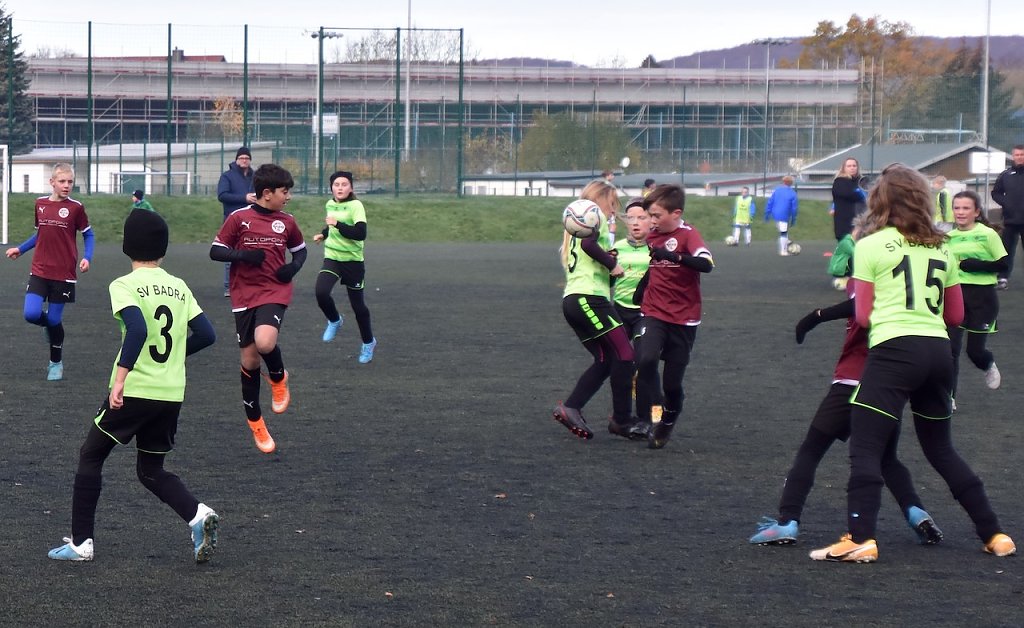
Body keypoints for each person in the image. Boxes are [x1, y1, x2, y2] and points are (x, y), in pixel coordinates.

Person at [810, 163, 1016, 564]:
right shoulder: (942, 247)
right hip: (939, 353)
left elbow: (863, 316)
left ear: (880, 201)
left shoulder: (871, 245)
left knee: (866, 447)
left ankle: (861, 537)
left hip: (894, 353)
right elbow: (955, 315)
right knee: (941, 449)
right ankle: (995, 533)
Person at [750, 214, 942, 547]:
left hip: (855, 379)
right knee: (886, 457)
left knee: (812, 449)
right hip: (891, 383)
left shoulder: (868, 271)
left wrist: (816, 316)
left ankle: (787, 521)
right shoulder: (910, 276)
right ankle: (917, 512)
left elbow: (858, 308)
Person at [47, 209, 218, 563]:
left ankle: (81, 544)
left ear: (127, 246)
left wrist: (121, 379)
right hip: (170, 393)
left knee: (91, 455)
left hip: (135, 390)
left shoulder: (124, 285)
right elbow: (207, 334)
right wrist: (173, 358)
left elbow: (138, 330)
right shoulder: (179, 286)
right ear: (163, 249)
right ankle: (198, 514)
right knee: (151, 470)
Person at [210, 164, 307, 454]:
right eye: (284, 192)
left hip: (274, 290)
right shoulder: (239, 218)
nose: (288, 197)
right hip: (243, 294)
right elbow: (216, 250)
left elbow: (300, 250)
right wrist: (243, 255)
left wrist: (292, 268)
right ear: (267, 193)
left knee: (265, 342)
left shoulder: (287, 221)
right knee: (250, 361)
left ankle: (278, 377)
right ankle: (256, 422)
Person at [553, 179, 639, 440]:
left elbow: (591, 254)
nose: (613, 211)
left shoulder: (576, 228)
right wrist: (612, 264)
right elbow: (590, 247)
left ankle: (571, 407)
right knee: (625, 354)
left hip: (574, 301)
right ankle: (622, 420)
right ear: (600, 201)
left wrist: (609, 266)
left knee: (607, 360)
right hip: (589, 300)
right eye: (612, 204)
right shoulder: (594, 216)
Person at [635, 183, 713, 449]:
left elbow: (706, 264)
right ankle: (656, 406)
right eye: (649, 215)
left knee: (672, 384)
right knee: (646, 360)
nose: (652, 221)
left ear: (676, 213)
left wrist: (674, 256)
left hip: (684, 318)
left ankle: (667, 421)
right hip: (654, 311)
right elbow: (656, 265)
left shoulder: (689, 235)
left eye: (656, 215)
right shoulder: (653, 235)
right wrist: (642, 288)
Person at [5, 162, 94, 381]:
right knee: (31, 314)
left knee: (55, 320)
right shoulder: (40, 204)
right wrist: (20, 249)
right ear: (52, 182)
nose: (66, 185)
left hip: (63, 274)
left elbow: (88, 234)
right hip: (40, 270)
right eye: (62, 181)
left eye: (70, 181)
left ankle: (55, 363)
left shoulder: (76, 208)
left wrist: (87, 257)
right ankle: (50, 327)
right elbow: (40, 234)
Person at [946, 190, 1007, 406]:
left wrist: (975, 265)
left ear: (977, 212)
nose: (960, 212)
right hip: (956, 296)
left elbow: (1004, 264)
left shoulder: (988, 234)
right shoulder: (948, 238)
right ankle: (949, 398)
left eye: (966, 208)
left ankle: (987, 363)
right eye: (957, 208)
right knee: (950, 351)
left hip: (983, 299)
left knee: (975, 351)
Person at [312, 170, 377, 363]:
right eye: (336, 185)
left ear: (351, 188)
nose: (340, 188)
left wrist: (337, 224)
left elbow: (360, 233)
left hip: (353, 262)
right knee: (321, 292)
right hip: (332, 257)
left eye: (344, 184)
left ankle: (368, 342)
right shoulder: (330, 204)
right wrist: (324, 234)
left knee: (358, 307)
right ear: (331, 187)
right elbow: (331, 226)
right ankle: (335, 320)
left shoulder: (356, 206)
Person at [610, 198, 653, 439]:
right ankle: (622, 418)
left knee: (645, 363)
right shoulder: (617, 248)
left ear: (651, 220)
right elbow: (607, 281)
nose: (636, 223)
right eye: (631, 218)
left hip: (645, 314)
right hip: (619, 312)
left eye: (642, 217)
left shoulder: (656, 249)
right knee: (619, 365)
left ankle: (648, 419)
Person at [216, 147, 257, 297]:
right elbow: (222, 195)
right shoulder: (227, 176)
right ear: (236, 160)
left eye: (247, 158)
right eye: (241, 158)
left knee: (251, 252)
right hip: (232, 220)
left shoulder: (255, 177)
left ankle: (249, 284)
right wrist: (244, 198)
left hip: (252, 220)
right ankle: (229, 286)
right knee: (231, 254)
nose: (244, 160)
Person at [991, 144, 1024, 290]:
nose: (1019, 157)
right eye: (1017, 155)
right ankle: (1003, 278)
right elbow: (995, 193)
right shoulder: (1006, 175)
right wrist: (1006, 202)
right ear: (1013, 156)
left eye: (1022, 154)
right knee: (1006, 251)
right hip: (1010, 220)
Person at [831, 157, 866, 241]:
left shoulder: (862, 181)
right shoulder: (839, 182)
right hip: (844, 223)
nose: (852, 168)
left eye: (854, 166)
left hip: (861, 220)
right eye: (849, 166)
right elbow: (849, 194)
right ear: (844, 168)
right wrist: (860, 193)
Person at [764, 175, 798, 256]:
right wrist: (793, 219)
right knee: (783, 233)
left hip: (775, 214)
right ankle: (783, 251)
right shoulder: (793, 193)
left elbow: (770, 202)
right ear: (791, 183)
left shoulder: (777, 190)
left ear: (783, 182)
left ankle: (787, 241)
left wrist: (767, 213)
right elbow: (794, 208)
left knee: (783, 230)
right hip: (784, 215)